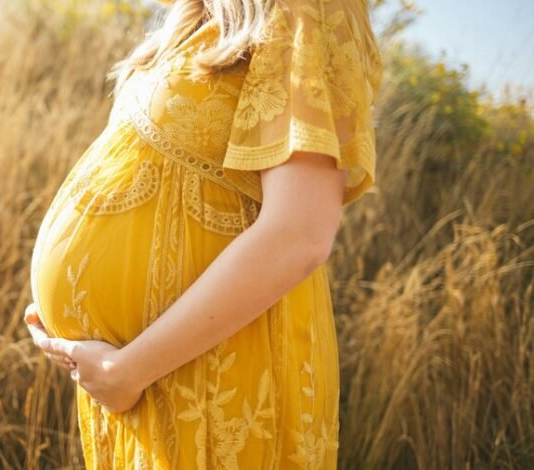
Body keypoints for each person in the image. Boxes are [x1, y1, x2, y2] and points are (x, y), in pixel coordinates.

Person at [25, 0, 383, 467]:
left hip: (214, 376)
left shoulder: (306, 9)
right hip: (152, 377)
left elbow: (301, 232)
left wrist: (127, 369)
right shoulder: (201, 18)